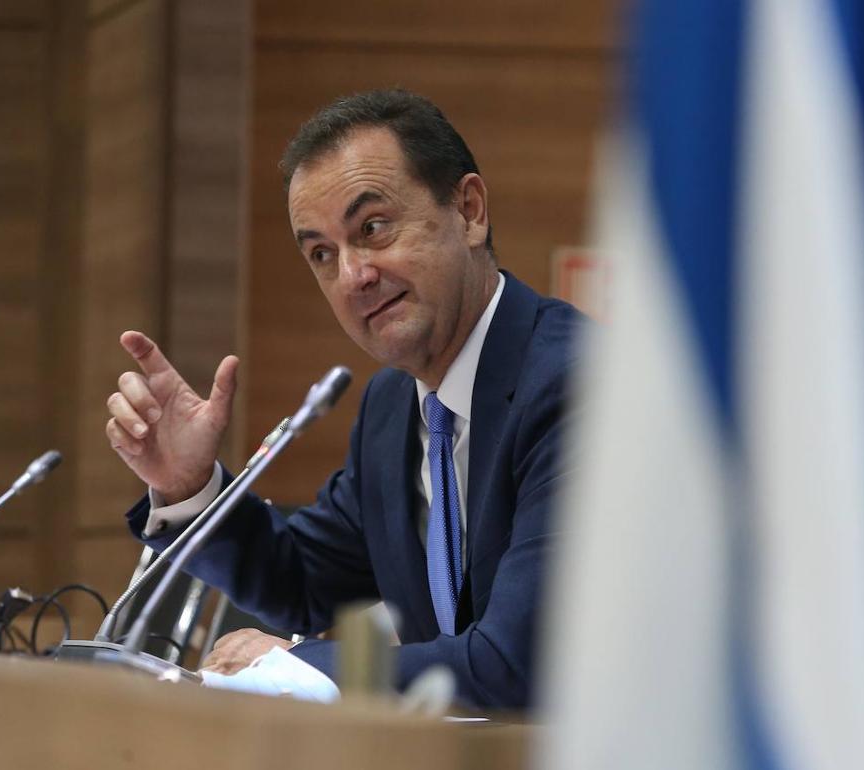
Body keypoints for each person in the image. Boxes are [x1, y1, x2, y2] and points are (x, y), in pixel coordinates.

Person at [104, 89, 584, 709]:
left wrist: (294, 664)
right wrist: (190, 485)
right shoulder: (392, 407)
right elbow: (301, 580)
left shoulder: (574, 386)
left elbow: (515, 662)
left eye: (374, 228)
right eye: (323, 254)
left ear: (468, 210)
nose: (354, 275)